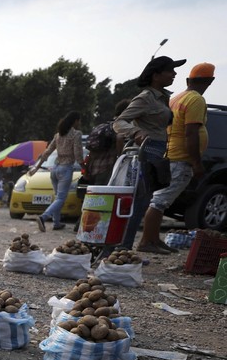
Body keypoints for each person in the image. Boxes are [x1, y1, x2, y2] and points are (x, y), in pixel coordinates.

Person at [137, 62, 215, 253]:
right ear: (211, 81)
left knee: (160, 200)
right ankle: (147, 242)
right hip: (180, 158)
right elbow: (191, 133)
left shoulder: (177, 97)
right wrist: (196, 163)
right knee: (160, 201)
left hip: (170, 155)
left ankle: (154, 240)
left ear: (189, 80)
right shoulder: (195, 99)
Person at [113, 55, 185, 250]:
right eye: (170, 70)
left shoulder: (163, 98)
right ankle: (123, 248)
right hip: (145, 154)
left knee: (143, 202)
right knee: (137, 204)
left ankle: (125, 248)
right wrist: (136, 132)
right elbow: (119, 122)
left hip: (158, 153)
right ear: (156, 75)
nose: (174, 74)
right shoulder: (145, 98)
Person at [29, 111, 83, 232]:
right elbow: (78, 154)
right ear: (75, 121)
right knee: (60, 199)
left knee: (57, 197)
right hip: (66, 169)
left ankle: (56, 223)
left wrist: (36, 167)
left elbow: (46, 152)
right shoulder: (76, 134)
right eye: (79, 121)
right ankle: (43, 217)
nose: (80, 123)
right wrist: (84, 166)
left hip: (54, 169)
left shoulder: (58, 135)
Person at [83, 99, 129, 191]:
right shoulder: (120, 126)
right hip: (106, 168)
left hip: (93, 168)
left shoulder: (102, 127)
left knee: (94, 194)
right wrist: (120, 157)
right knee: (103, 195)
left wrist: (86, 169)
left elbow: (91, 151)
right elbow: (120, 138)